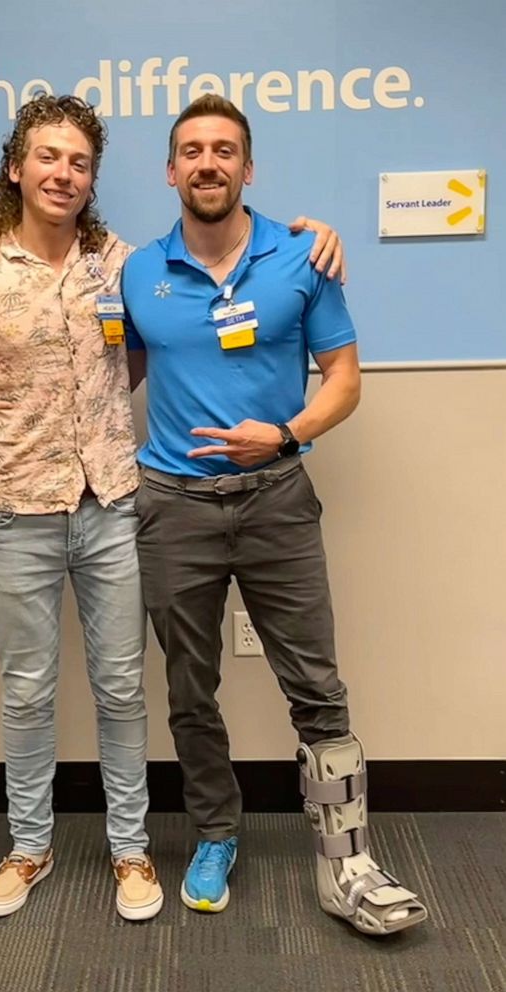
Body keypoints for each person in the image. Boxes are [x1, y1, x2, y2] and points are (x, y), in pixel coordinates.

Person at [0, 93, 343, 922]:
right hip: (17, 506)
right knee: (27, 690)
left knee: (124, 687)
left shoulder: (123, 265)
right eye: (48, 157)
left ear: (93, 178)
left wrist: (315, 233)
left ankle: (130, 851)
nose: (63, 173)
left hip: (113, 503)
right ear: (17, 167)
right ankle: (30, 848)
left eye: (79, 162)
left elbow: (173, 315)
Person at [123, 94, 427, 936]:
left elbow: (345, 379)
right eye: (192, 150)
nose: (208, 163)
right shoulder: (136, 269)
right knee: (191, 689)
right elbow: (115, 380)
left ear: (247, 168)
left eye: (225, 150)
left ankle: (347, 863)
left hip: (278, 501)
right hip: (172, 506)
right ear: (171, 169)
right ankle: (216, 834)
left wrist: (286, 434)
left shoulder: (303, 257)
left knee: (317, 688)